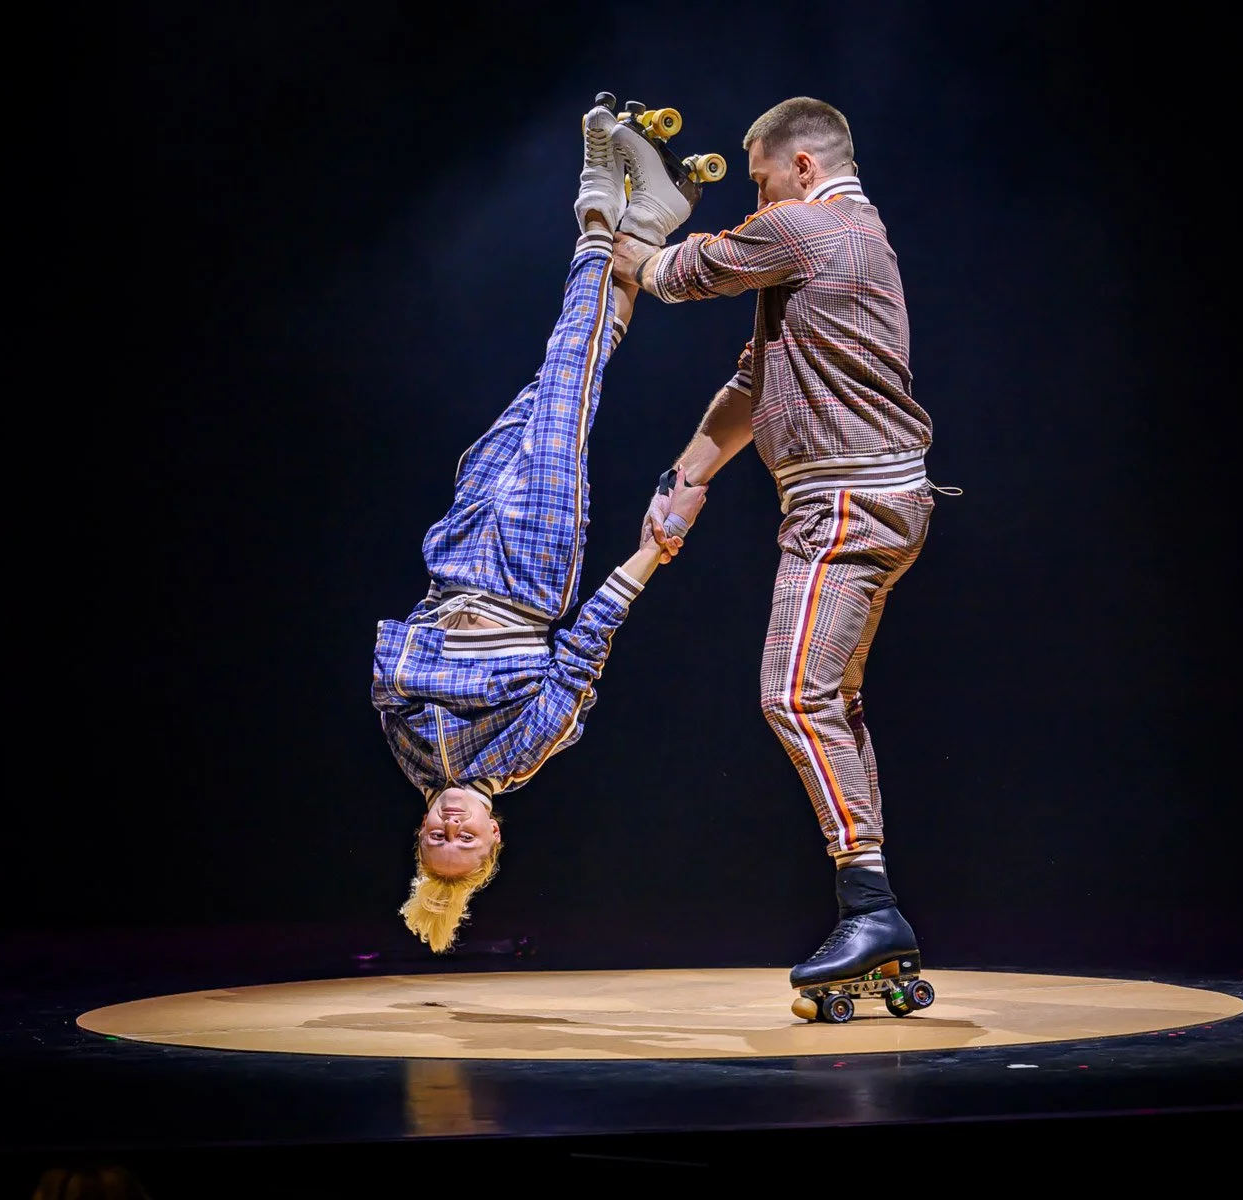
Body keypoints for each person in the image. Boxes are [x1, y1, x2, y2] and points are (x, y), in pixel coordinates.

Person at [611, 96, 956, 992]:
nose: (753, 198)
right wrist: (684, 481)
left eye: (758, 178)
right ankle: (876, 916)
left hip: (848, 506)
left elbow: (678, 272)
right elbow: (753, 381)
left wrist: (615, 222)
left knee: (793, 697)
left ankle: (873, 909)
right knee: (830, 701)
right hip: (865, 501)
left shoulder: (811, 226)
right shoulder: (829, 244)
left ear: (802, 166)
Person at [371, 96, 710, 953]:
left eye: (435, 840)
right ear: (494, 843)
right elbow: (588, 643)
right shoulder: (526, 752)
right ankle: (607, 200)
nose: (450, 827)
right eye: (466, 843)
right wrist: (648, 555)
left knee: (567, 372)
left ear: (419, 837)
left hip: (454, 557)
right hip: (527, 572)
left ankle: (633, 220)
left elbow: (390, 659)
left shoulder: (411, 758)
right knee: (567, 371)